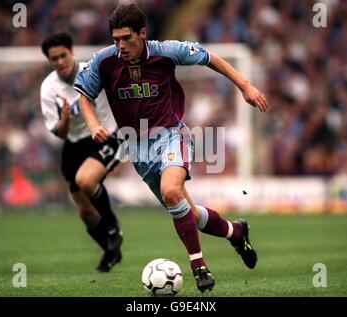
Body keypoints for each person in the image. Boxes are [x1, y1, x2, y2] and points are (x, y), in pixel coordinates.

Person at [74, 4, 268, 292]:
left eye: (126, 38)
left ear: (142, 33)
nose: (120, 45)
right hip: (136, 147)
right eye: (115, 39)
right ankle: (236, 232)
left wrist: (245, 86)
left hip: (170, 135)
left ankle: (199, 267)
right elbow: (84, 96)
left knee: (170, 191)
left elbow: (209, 57)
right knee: (187, 213)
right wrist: (92, 126)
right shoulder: (104, 61)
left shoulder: (167, 51)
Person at [40, 32, 123, 273]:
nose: (60, 62)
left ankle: (112, 226)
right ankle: (111, 251)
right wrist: (64, 120)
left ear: (71, 52)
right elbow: (58, 132)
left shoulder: (93, 70)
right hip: (74, 143)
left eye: (63, 56)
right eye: (54, 58)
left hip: (106, 135)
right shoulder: (48, 88)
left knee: (85, 180)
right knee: (85, 211)